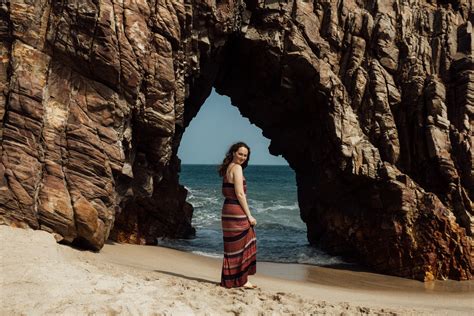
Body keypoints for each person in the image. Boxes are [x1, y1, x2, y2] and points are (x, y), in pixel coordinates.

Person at [218, 142, 257, 289]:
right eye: (240, 153)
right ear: (233, 152)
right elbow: (240, 194)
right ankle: (242, 280)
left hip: (227, 210)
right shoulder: (238, 168)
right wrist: (249, 215)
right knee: (246, 240)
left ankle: (230, 280)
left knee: (231, 247)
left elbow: (225, 191)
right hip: (236, 211)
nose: (242, 157)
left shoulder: (228, 168)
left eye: (245, 155)